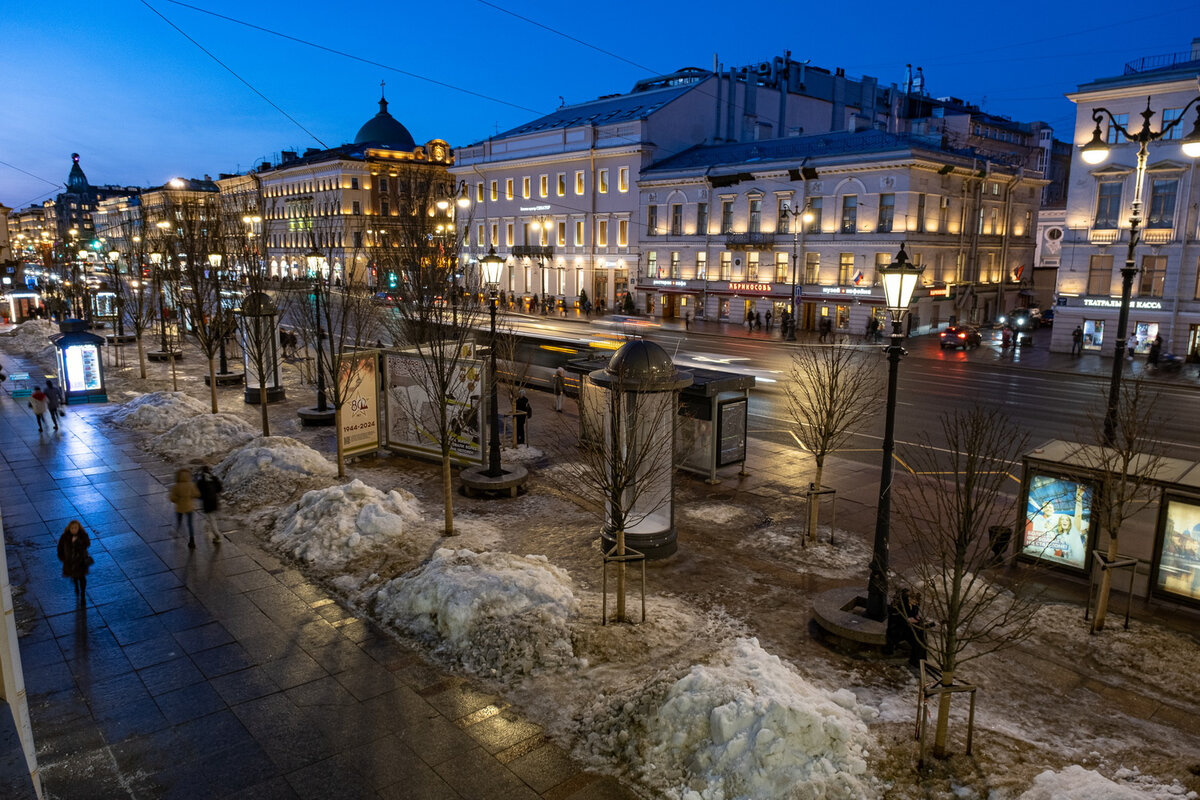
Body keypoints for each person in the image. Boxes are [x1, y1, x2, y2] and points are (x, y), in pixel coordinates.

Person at [886, 588, 929, 668]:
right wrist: (907, 620)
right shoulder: (901, 606)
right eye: (914, 601)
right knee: (917, 638)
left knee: (922, 634)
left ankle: (921, 658)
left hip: (909, 626)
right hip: (900, 628)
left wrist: (916, 617)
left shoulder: (914, 605)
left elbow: (915, 614)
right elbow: (896, 618)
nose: (915, 604)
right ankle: (915, 660)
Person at [57, 520, 91, 602]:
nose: (74, 529)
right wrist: (63, 558)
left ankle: (82, 593)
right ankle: (76, 586)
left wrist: (78, 542)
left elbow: (87, 544)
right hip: (70, 561)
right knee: (75, 576)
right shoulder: (64, 537)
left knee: (82, 577)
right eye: (72, 528)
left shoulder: (83, 536)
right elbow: (60, 548)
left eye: (76, 527)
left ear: (79, 528)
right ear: (69, 528)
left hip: (80, 561)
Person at [169, 468, 201, 548]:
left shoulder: (176, 486)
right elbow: (197, 494)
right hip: (189, 507)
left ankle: (176, 532)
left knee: (179, 521)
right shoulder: (191, 485)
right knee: (190, 524)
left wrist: (178, 499)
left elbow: (172, 498)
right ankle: (192, 540)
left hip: (180, 508)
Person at [194, 465, 223, 544]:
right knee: (212, 517)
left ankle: (217, 536)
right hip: (214, 501)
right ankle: (208, 527)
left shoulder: (201, 482)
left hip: (207, 503)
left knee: (212, 520)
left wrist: (203, 496)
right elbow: (220, 488)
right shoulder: (214, 478)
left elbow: (198, 494)